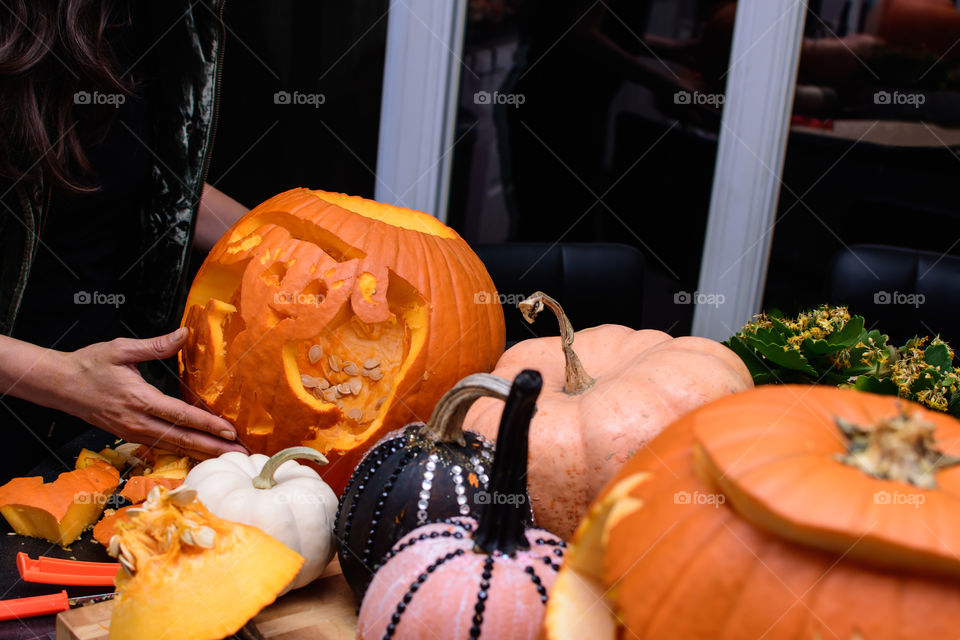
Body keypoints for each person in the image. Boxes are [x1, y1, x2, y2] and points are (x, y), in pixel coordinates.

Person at [0, 0, 249, 477]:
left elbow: (153, 183)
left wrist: (302, 239)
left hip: (96, 425)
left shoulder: (144, 18)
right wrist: (65, 380)